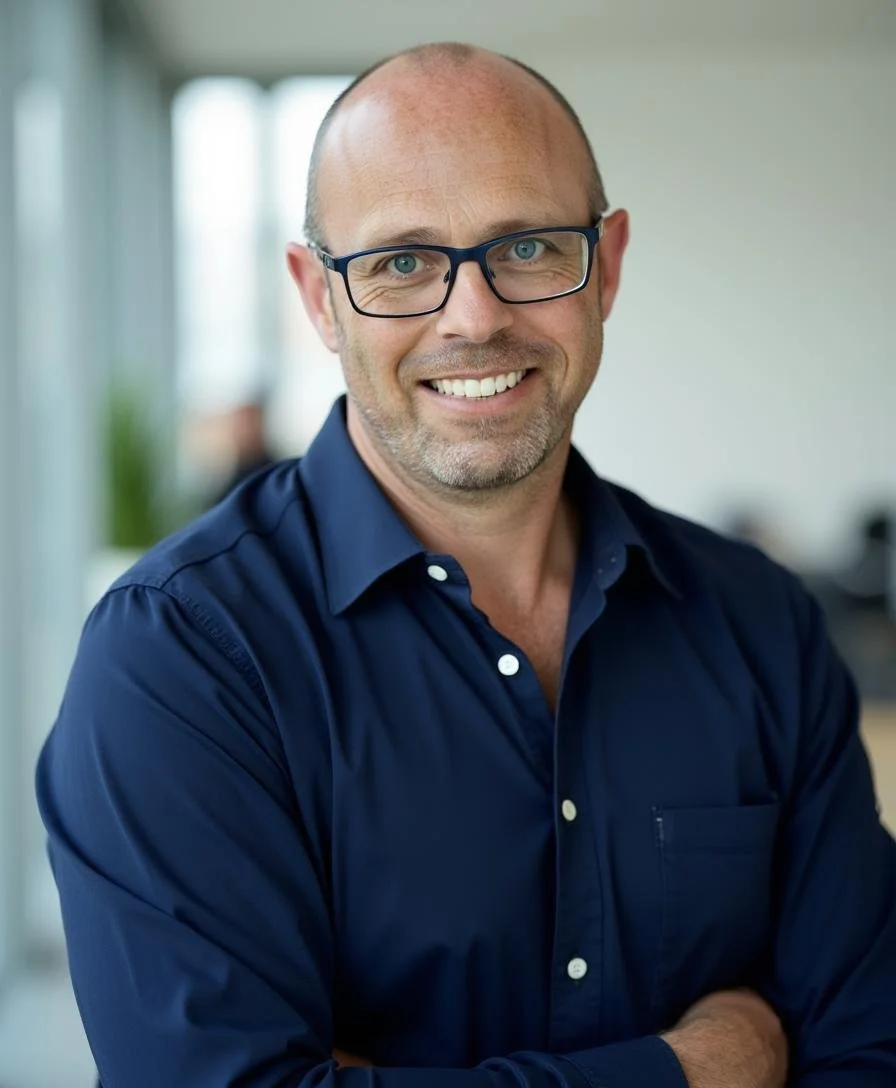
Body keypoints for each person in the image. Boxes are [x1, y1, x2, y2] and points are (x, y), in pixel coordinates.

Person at [36, 42, 895, 1088]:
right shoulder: (180, 656)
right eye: (401, 263)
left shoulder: (760, 622)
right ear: (318, 297)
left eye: (527, 247)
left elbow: (868, 1048)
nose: (474, 317)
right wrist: (697, 1066)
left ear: (607, 266)